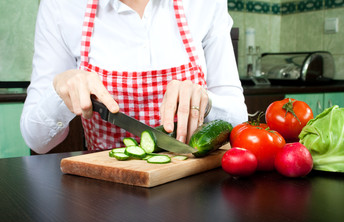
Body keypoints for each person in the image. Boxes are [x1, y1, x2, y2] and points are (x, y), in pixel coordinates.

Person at [20, 0, 248, 154]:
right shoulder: (61, 6)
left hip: (194, 188)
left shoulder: (205, 4)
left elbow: (240, 121)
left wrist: (206, 103)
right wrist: (62, 92)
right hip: (104, 194)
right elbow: (37, 141)